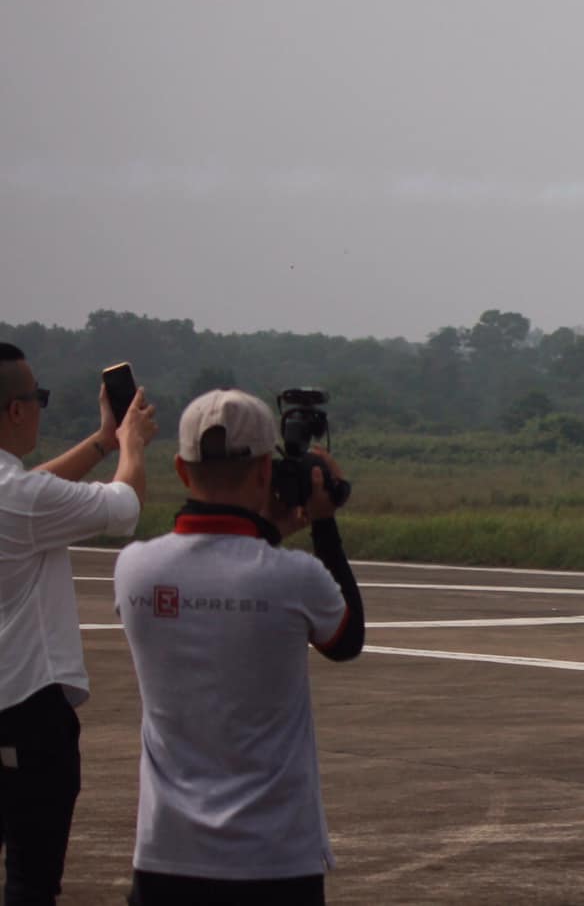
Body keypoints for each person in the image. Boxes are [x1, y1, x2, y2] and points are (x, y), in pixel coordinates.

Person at [114, 390, 364, 906]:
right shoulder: (296, 577)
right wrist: (322, 521)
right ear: (265, 473)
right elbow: (346, 639)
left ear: (183, 471)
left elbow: (216, 569)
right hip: (275, 857)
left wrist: (262, 532)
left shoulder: (135, 569)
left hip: (167, 852)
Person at [0, 343, 155, 906]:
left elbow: (33, 492)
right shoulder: (20, 501)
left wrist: (100, 442)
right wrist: (130, 445)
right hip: (26, 711)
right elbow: (127, 503)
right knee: (31, 883)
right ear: (16, 411)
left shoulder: (17, 497)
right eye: (36, 398)